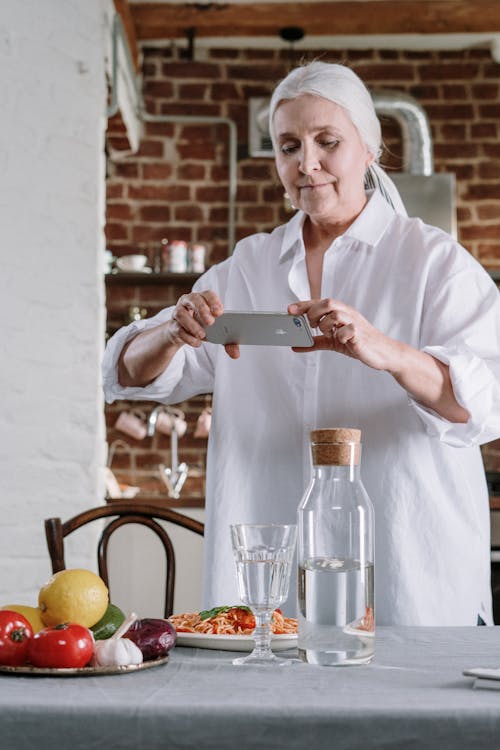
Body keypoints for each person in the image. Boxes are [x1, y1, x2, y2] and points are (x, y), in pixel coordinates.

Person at [103, 61, 500, 625]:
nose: (305, 164)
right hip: (271, 582)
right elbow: (126, 373)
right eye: (288, 146)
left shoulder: (434, 262)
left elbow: (485, 405)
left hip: (408, 569)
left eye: (327, 142)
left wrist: (382, 349)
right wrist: (172, 331)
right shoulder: (247, 266)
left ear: (369, 148)